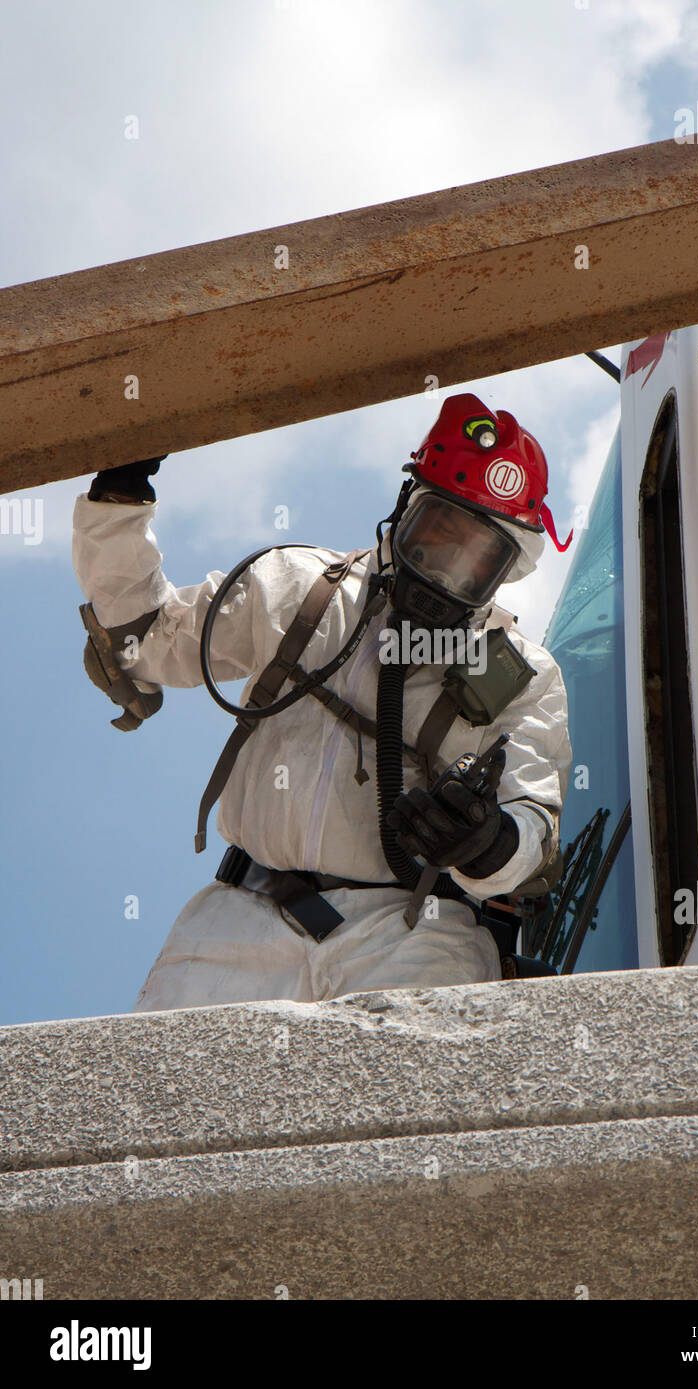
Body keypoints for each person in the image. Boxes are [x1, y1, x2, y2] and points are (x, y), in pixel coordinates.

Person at [72, 392, 573, 1008]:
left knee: (422, 1093)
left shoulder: (521, 676)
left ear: (505, 571)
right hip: (239, 921)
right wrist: (120, 495)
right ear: (405, 511)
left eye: (476, 557)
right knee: (165, 1095)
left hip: (411, 938)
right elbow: (142, 638)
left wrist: (487, 841)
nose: (447, 568)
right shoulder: (296, 589)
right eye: (438, 533)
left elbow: (532, 826)